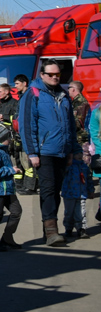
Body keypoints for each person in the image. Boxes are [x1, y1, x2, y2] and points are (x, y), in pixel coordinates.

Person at [18, 60, 78, 247]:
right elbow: (27, 125)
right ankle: (51, 230)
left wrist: (71, 150)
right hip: (43, 152)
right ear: (42, 75)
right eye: (50, 74)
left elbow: (70, 126)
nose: (54, 77)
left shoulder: (63, 94)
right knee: (48, 189)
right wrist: (32, 152)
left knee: (56, 191)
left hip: (61, 151)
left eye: (57, 75)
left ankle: (49, 229)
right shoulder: (33, 94)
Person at [0, 117, 23, 252]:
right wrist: (11, 170)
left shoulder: (2, 149)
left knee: (16, 211)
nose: (10, 140)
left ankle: (7, 237)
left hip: (8, 188)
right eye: (8, 138)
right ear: (1, 139)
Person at [63, 80, 93, 239]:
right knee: (70, 206)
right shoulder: (73, 102)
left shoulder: (81, 103)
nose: (68, 90)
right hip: (68, 188)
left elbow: (77, 123)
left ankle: (81, 228)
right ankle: (69, 228)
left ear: (74, 89)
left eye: (69, 88)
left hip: (80, 142)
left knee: (83, 171)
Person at [11, 74, 37, 194]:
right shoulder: (22, 96)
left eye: (17, 83)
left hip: (27, 133)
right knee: (22, 161)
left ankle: (30, 187)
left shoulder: (29, 96)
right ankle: (25, 185)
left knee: (29, 162)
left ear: (24, 83)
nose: (15, 86)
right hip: (20, 133)